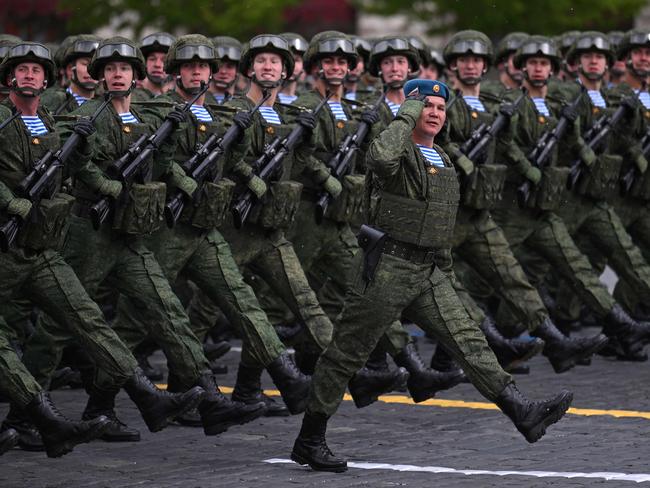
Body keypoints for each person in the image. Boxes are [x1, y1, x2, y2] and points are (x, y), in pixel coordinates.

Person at [290, 79, 574, 473]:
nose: (436, 113)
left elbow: (441, 221)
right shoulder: (397, 148)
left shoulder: (441, 158)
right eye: (427, 106)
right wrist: (405, 113)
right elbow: (379, 161)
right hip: (386, 267)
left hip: (428, 269)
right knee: (346, 354)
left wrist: (444, 269)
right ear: (411, 111)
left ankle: (521, 410)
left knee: (468, 338)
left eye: (441, 107)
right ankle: (309, 439)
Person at [0, 40, 204, 450]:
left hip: (43, 245)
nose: (29, 76)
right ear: (8, 78)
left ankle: (147, 396)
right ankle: (32, 418)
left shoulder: (50, 121)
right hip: (16, 245)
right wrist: (9, 201)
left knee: (87, 318)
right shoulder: (8, 120)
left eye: (36, 71)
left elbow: (76, 166)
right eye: (21, 70)